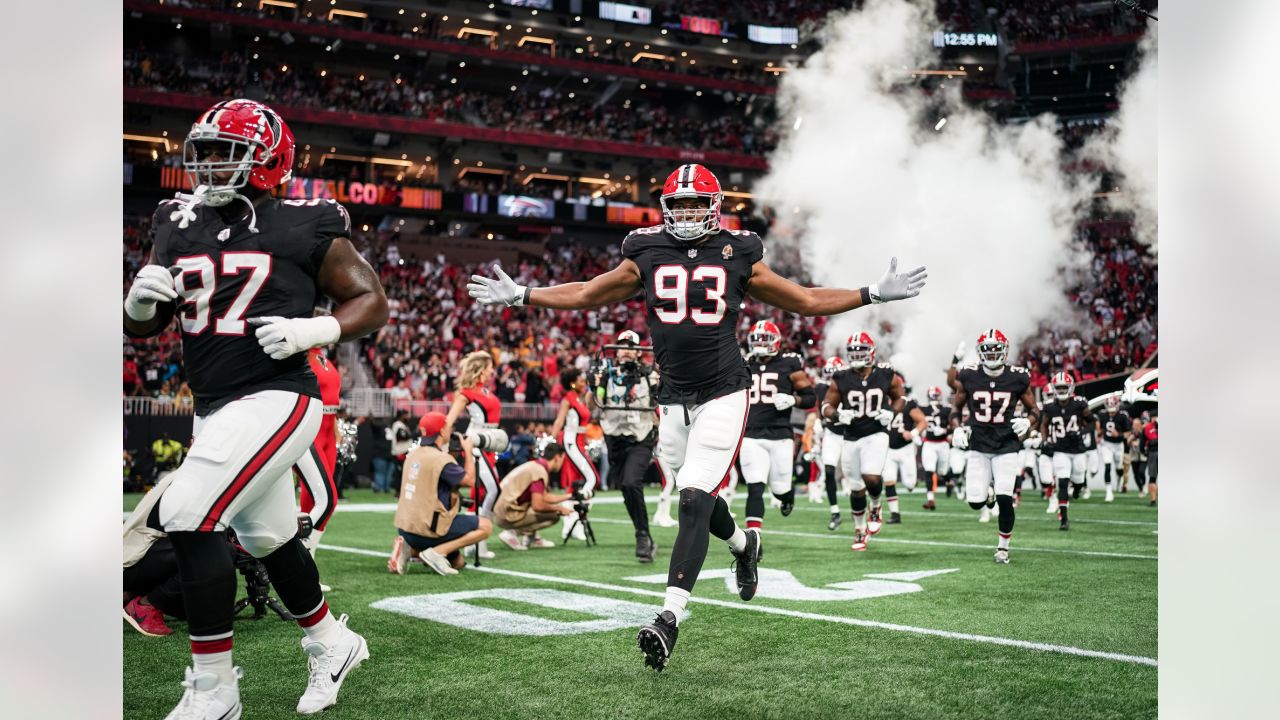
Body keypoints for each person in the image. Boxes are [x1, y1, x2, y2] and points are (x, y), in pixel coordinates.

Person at [468, 162, 926, 671]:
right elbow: (588, 292)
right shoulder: (644, 249)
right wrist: (524, 294)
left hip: (724, 393)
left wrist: (873, 292)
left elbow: (804, 300)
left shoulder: (739, 250)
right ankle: (744, 544)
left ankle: (668, 618)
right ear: (665, 208)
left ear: (714, 208)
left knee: (692, 498)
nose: (686, 213)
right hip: (672, 398)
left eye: (695, 204)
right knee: (698, 499)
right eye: (677, 204)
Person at [123, 98, 386, 718]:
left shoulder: (305, 221)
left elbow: (370, 300)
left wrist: (312, 332)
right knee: (267, 537)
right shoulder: (174, 221)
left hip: (279, 395)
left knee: (188, 513)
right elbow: (149, 324)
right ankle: (332, 641)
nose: (210, 165)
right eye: (204, 152)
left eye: (226, 152)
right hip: (212, 403)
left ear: (270, 160)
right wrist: (137, 305)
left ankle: (215, 692)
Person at [947, 330, 1040, 563]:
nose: (991, 354)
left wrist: (1028, 421)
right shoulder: (969, 375)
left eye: (996, 349)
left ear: (1005, 351)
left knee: (1005, 497)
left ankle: (1003, 548)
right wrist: (957, 428)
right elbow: (955, 409)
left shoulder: (1017, 377)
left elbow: (1035, 411)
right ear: (980, 352)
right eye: (987, 350)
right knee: (975, 502)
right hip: (978, 443)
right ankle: (987, 494)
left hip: (1006, 443)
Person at [821, 332, 904, 551]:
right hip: (851, 436)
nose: (856, 355)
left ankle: (876, 505)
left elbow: (900, 396)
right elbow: (826, 405)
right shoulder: (841, 377)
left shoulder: (886, 374)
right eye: (853, 351)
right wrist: (838, 415)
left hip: (876, 433)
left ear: (871, 353)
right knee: (856, 488)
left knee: (872, 476)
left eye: (861, 351)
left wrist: (892, 412)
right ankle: (859, 530)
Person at [387, 413, 490, 576]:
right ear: (442, 431)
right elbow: (471, 480)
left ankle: (409, 549)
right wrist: (468, 451)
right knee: (486, 525)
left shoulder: (413, 454)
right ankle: (437, 552)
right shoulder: (440, 460)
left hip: (405, 527)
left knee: (458, 562)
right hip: (428, 528)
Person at [740, 320, 816, 530]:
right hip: (751, 435)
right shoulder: (743, 364)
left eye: (765, 339)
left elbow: (810, 397)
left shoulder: (788, 364)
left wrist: (794, 400)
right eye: (757, 340)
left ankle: (787, 497)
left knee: (780, 489)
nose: (760, 344)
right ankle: (754, 541)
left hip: (780, 434)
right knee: (755, 486)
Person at [594, 330, 660, 562]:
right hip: (614, 438)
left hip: (641, 436)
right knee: (625, 487)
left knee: (632, 482)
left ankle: (642, 536)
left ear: (637, 351)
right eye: (621, 345)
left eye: (630, 346)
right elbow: (595, 404)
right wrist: (595, 383)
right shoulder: (607, 373)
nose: (625, 350)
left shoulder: (648, 373)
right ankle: (645, 535)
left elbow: (659, 401)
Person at [443, 350, 503, 560]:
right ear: (480, 369)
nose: (492, 371)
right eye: (489, 367)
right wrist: (444, 442)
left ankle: (474, 539)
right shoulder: (466, 393)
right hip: (476, 443)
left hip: (490, 443)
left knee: (485, 491)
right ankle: (476, 538)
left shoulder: (485, 390)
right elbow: (449, 420)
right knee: (493, 490)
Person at [298, 347, 341, 557]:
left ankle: (308, 559)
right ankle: (300, 550)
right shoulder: (300, 353)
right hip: (312, 427)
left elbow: (332, 397)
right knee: (325, 499)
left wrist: (336, 430)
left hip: (329, 431)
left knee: (320, 499)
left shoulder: (322, 356)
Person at [494, 440, 575, 550]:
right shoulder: (539, 471)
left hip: (501, 508)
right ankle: (512, 533)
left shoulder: (535, 465)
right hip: (506, 513)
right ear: (557, 457)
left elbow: (544, 497)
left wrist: (569, 496)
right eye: (562, 459)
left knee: (543, 506)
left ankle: (532, 537)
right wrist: (559, 508)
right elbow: (538, 505)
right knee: (554, 514)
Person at [551, 366, 599, 542]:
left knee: (576, 485)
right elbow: (559, 421)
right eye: (580, 379)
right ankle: (574, 520)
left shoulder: (581, 398)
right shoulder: (568, 399)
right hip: (570, 442)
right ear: (572, 383)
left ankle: (571, 526)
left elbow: (593, 405)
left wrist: (596, 387)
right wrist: (551, 441)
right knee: (592, 480)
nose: (583, 381)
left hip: (579, 442)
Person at [1040, 372, 1093, 531]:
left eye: (1064, 387)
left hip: (1077, 450)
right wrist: (1045, 440)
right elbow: (1044, 424)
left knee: (1078, 480)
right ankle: (1064, 519)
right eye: (1059, 388)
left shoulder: (1079, 403)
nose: (1062, 391)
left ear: (1071, 388)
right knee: (1062, 482)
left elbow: (1091, 423)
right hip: (1060, 450)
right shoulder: (1049, 406)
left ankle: (1077, 490)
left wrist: (1081, 433)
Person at [881, 391, 927, 524]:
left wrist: (913, 433)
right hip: (888, 449)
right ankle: (895, 514)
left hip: (905, 448)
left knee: (909, 483)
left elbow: (923, 422)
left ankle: (912, 483)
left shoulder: (907, 404)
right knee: (889, 480)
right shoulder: (880, 402)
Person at [815, 355, 849, 530]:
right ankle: (835, 512)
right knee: (829, 470)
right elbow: (820, 410)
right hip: (832, 433)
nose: (831, 379)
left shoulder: (851, 386)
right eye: (829, 375)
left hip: (851, 435)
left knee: (856, 476)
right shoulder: (822, 388)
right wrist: (819, 421)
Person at [920, 385, 954, 510]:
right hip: (929, 443)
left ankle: (949, 481)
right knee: (929, 470)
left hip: (943, 443)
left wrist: (945, 430)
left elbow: (955, 424)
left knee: (942, 471)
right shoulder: (923, 409)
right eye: (932, 396)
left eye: (935, 395)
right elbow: (917, 421)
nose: (934, 398)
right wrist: (918, 433)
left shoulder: (947, 409)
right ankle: (930, 499)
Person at [1096, 395, 1133, 502]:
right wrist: (1099, 434)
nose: (1111, 412)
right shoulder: (1102, 414)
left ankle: (1120, 478)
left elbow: (1128, 432)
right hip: (1107, 444)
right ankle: (1109, 492)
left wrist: (1119, 435)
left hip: (1118, 445)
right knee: (1107, 466)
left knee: (1119, 467)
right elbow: (1099, 424)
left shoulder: (1122, 416)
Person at [389, 409, 413, 496]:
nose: (408, 417)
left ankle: (401, 491)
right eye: (406, 415)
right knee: (400, 473)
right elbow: (402, 436)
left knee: (404, 473)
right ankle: (398, 492)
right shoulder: (398, 425)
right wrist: (413, 434)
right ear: (401, 416)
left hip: (404, 452)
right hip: (400, 452)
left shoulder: (403, 425)